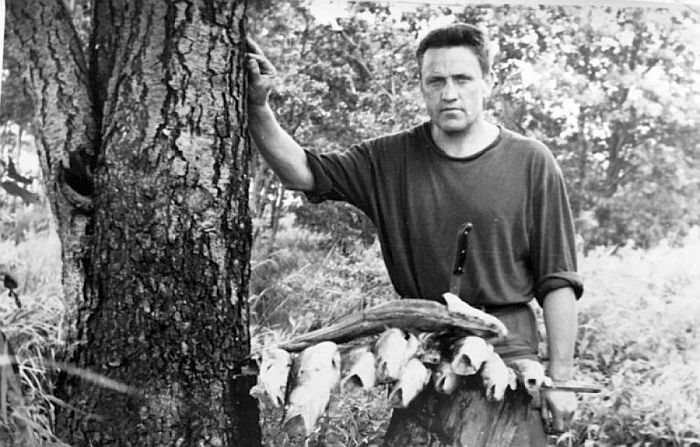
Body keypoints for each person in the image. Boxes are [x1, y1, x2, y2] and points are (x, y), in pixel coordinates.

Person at [246, 22, 583, 446]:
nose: (449, 93)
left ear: (488, 82)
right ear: (422, 86)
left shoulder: (532, 162)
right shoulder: (389, 159)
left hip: (508, 353)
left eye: (463, 79)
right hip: (424, 353)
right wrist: (258, 107)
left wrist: (561, 380)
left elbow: (558, 281)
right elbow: (302, 173)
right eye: (436, 81)